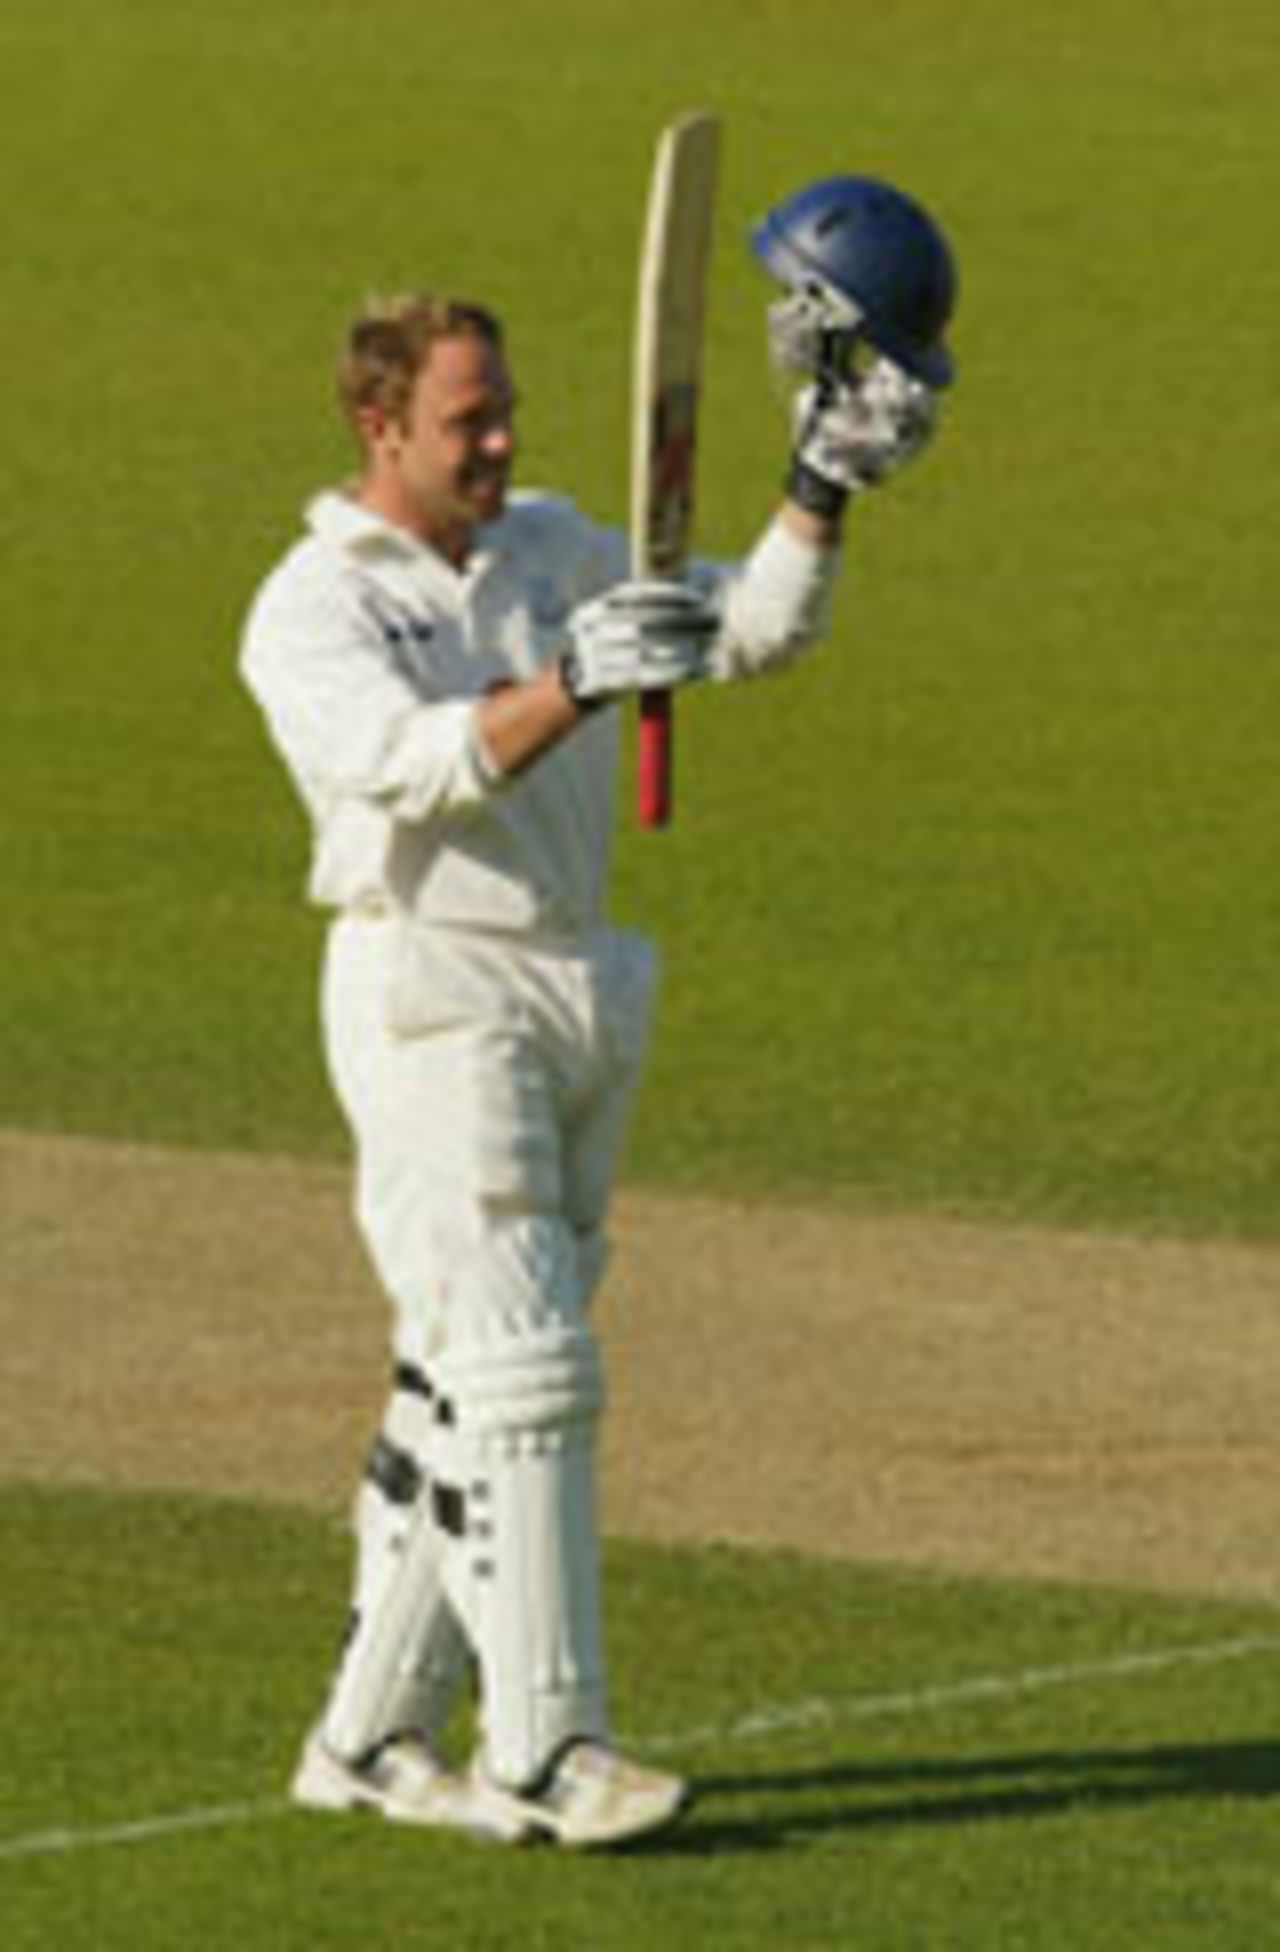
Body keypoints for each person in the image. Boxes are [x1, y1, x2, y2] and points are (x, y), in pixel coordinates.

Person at [239, 187, 951, 1851]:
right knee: (529, 1367)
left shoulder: (558, 540)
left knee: (463, 1378)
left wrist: (819, 486)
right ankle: (551, 1751)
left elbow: (753, 631)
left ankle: (364, 1734)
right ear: (378, 423)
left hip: (574, 980)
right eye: (464, 422)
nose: (496, 447)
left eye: (504, 416)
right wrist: (573, 683)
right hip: (429, 983)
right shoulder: (313, 605)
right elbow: (408, 764)